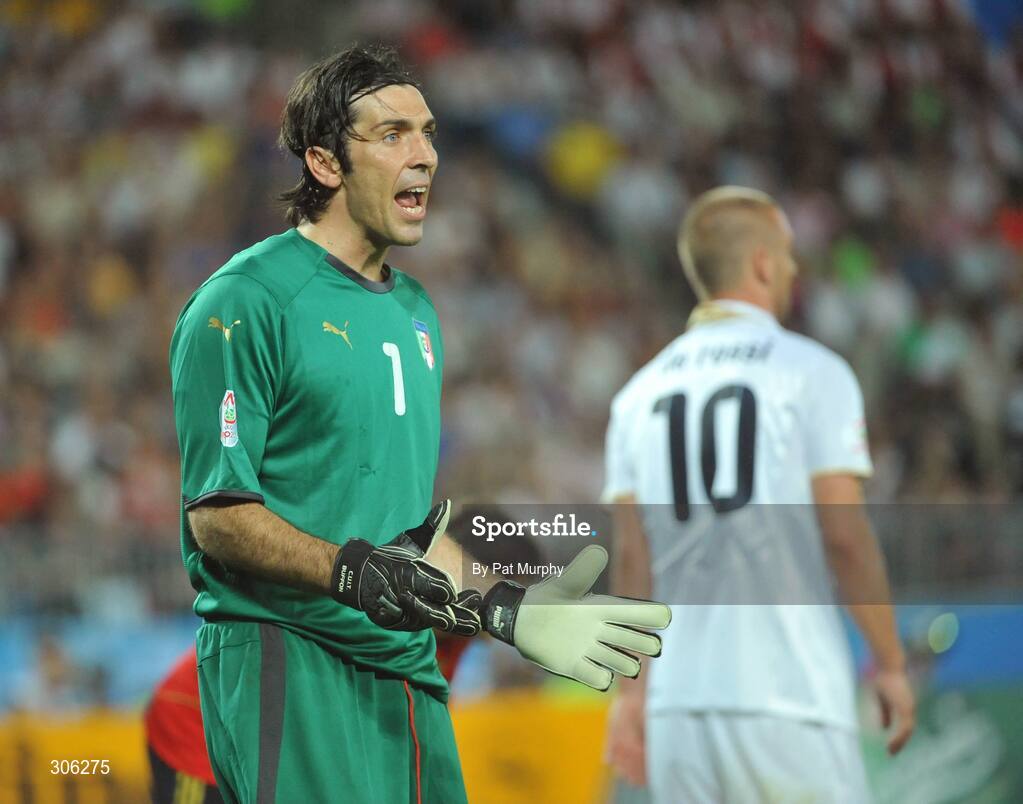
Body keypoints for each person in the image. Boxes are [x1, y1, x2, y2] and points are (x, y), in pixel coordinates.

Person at [169, 45, 669, 804]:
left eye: (429, 132)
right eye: (393, 133)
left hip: (407, 675)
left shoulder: (416, 314)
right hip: (290, 658)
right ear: (326, 163)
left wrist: (512, 597)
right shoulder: (245, 301)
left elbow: (407, 535)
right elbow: (219, 518)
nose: (426, 156)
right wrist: (352, 570)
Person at [603, 186, 915, 803]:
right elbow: (845, 538)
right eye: (790, 254)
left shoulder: (636, 396)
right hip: (790, 698)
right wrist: (890, 664)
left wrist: (632, 695)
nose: (796, 268)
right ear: (765, 263)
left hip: (680, 712)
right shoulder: (815, 373)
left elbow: (633, 562)